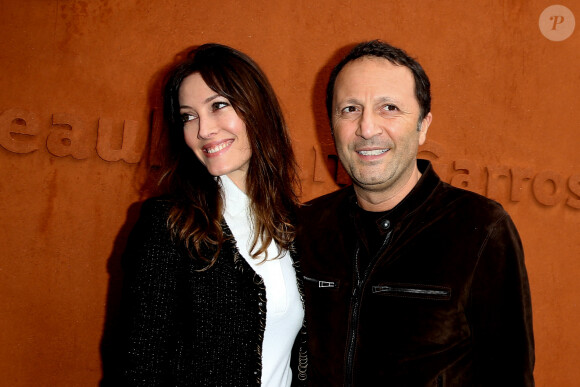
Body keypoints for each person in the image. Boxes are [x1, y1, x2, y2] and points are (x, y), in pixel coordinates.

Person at [296, 40, 534, 386]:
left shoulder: (479, 227)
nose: (367, 128)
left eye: (389, 107)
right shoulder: (306, 227)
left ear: (423, 126)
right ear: (330, 126)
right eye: (349, 109)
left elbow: (509, 375)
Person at [118, 43, 306, 386]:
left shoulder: (294, 224)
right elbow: (138, 369)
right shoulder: (169, 223)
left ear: (256, 109)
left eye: (218, 106)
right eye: (188, 116)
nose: (203, 129)